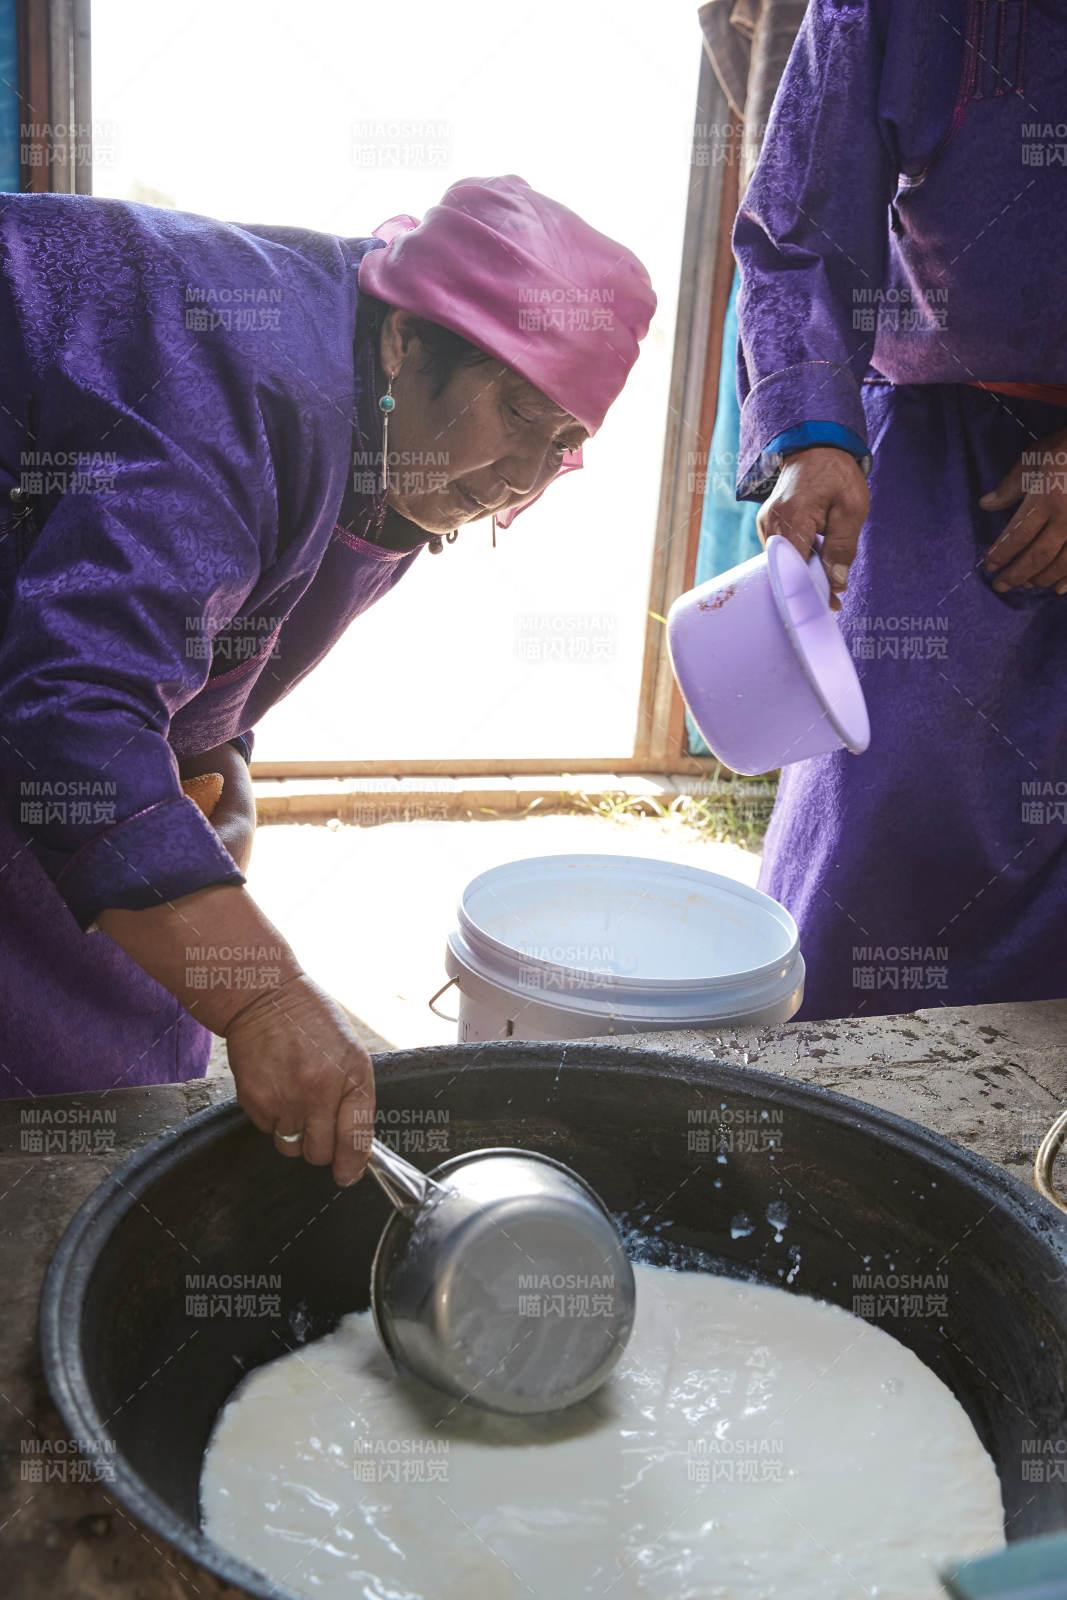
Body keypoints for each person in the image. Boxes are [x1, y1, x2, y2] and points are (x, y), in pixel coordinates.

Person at [0, 174, 655, 1179]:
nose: (525, 475)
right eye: (517, 412)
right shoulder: (242, 382)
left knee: (141, 943)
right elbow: (74, 715)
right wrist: (264, 994)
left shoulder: (405, 446)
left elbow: (205, 624)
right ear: (404, 343)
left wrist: (215, 753)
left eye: (560, 443)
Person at [732, 0, 1067, 1020]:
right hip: (930, 455)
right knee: (879, 810)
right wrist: (814, 432)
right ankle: (808, 1138)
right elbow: (796, 221)